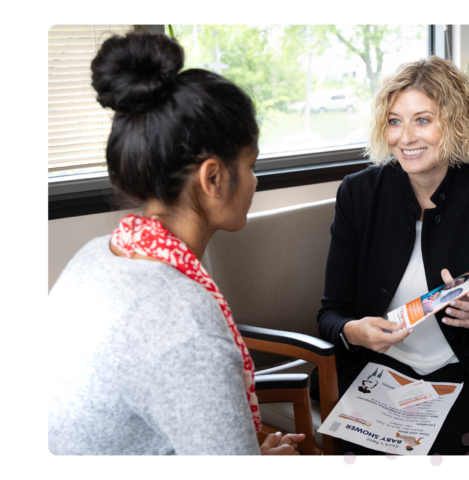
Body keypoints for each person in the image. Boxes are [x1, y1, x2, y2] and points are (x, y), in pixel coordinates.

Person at [47, 32, 305, 457]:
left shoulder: (96, 255)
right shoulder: (186, 326)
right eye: (252, 164)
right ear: (213, 178)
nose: (256, 180)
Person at [314, 55, 469, 456]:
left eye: (423, 120)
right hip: (377, 366)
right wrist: (353, 331)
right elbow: (330, 314)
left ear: (456, 122)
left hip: (464, 369)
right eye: (395, 121)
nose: (405, 137)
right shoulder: (358, 194)